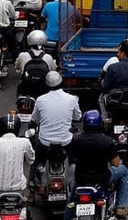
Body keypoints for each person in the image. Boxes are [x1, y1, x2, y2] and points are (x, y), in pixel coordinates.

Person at [65, 110, 128, 220]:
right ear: (100, 124)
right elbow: (116, 163)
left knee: (70, 204)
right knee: (123, 170)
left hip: (81, 180)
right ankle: (121, 206)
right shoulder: (106, 141)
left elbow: (71, 159)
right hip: (102, 178)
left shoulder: (75, 140)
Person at [28, 71, 81, 201]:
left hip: (45, 142)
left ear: (47, 84)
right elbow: (78, 117)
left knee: (36, 163)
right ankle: (76, 185)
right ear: (61, 82)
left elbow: (34, 119)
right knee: (75, 160)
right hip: (66, 142)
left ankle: (30, 194)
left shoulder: (40, 100)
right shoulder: (71, 99)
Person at [99, 40, 128, 122]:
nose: (118, 54)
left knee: (101, 98)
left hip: (115, 101)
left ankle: (106, 120)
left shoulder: (112, 67)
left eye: (119, 52)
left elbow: (106, 87)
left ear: (123, 53)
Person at [14, 30, 56, 98]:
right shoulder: (48, 57)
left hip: (26, 90)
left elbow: (17, 68)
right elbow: (53, 70)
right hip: (43, 90)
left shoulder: (22, 55)